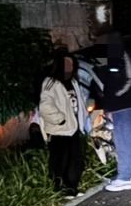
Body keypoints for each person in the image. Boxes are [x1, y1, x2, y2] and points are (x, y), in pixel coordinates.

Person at [38, 49, 91, 198]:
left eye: (71, 64)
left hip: (73, 127)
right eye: (66, 64)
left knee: (75, 159)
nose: (69, 67)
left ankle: (71, 187)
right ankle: (58, 188)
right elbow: (45, 106)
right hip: (59, 129)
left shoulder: (73, 82)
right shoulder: (51, 83)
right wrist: (59, 119)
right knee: (60, 160)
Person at [95, 32, 131, 191]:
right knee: (125, 142)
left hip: (125, 105)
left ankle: (124, 178)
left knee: (124, 143)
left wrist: (117, 96)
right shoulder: (114, 56)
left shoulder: (121, 55)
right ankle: (129, 175)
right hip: (121, 106)